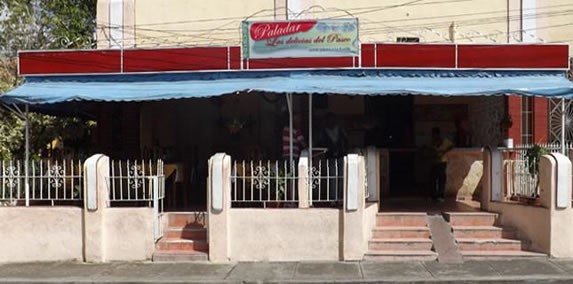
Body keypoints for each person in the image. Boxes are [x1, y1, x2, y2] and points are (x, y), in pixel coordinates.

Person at [319, 113, 348, 203]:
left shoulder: (340, 130)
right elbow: (321, 143)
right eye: (329, 120)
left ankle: (339, 198)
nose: (331, 122)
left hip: (340, 155)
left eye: (333, 119)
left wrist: (344, 150)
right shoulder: (324, 131)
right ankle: (333, 199)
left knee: (340, 177)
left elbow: (346, 141)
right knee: (332, 178)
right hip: (331, 157)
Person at [430, 127, 454, 201]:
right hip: (435, 161)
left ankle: (441, 195)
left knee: (441, 179)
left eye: (435, 134)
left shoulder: (444, 141)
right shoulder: (433, 142)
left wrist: (444, 151)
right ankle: (434, 195)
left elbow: (452, 145)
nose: (434, 136)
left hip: (442, 162)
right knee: (433, 179)